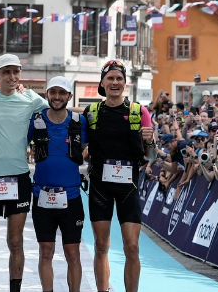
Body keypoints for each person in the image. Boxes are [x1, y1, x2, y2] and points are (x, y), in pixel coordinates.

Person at [0, 54, 48, 292]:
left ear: (20, 74)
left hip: (19, 178)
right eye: (6, 72)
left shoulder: (30, 98)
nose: (12, 77)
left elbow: (57, 112)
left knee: (15, 241)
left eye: (16, 72)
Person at [84, 60, 154, 292]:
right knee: (101, 245)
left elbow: (150, 155)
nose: (115, 82)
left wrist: (150, 141)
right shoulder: (92, 112)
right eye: (110, 78)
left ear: (125, 83)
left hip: (128, 186)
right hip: (99, 187)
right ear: (102, 83)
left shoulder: (138, 111)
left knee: (132, 247)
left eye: (119, 79)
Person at [27, 76, 88, 292]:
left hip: (71, 198)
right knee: (45, 252)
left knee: (73, 253)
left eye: (62, 93)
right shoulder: (35, 120)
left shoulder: (80, 122)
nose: (57, 97)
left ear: (69, 96)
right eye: (53, 92)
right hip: (42, 197)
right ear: (47, 95)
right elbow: (12, 139)